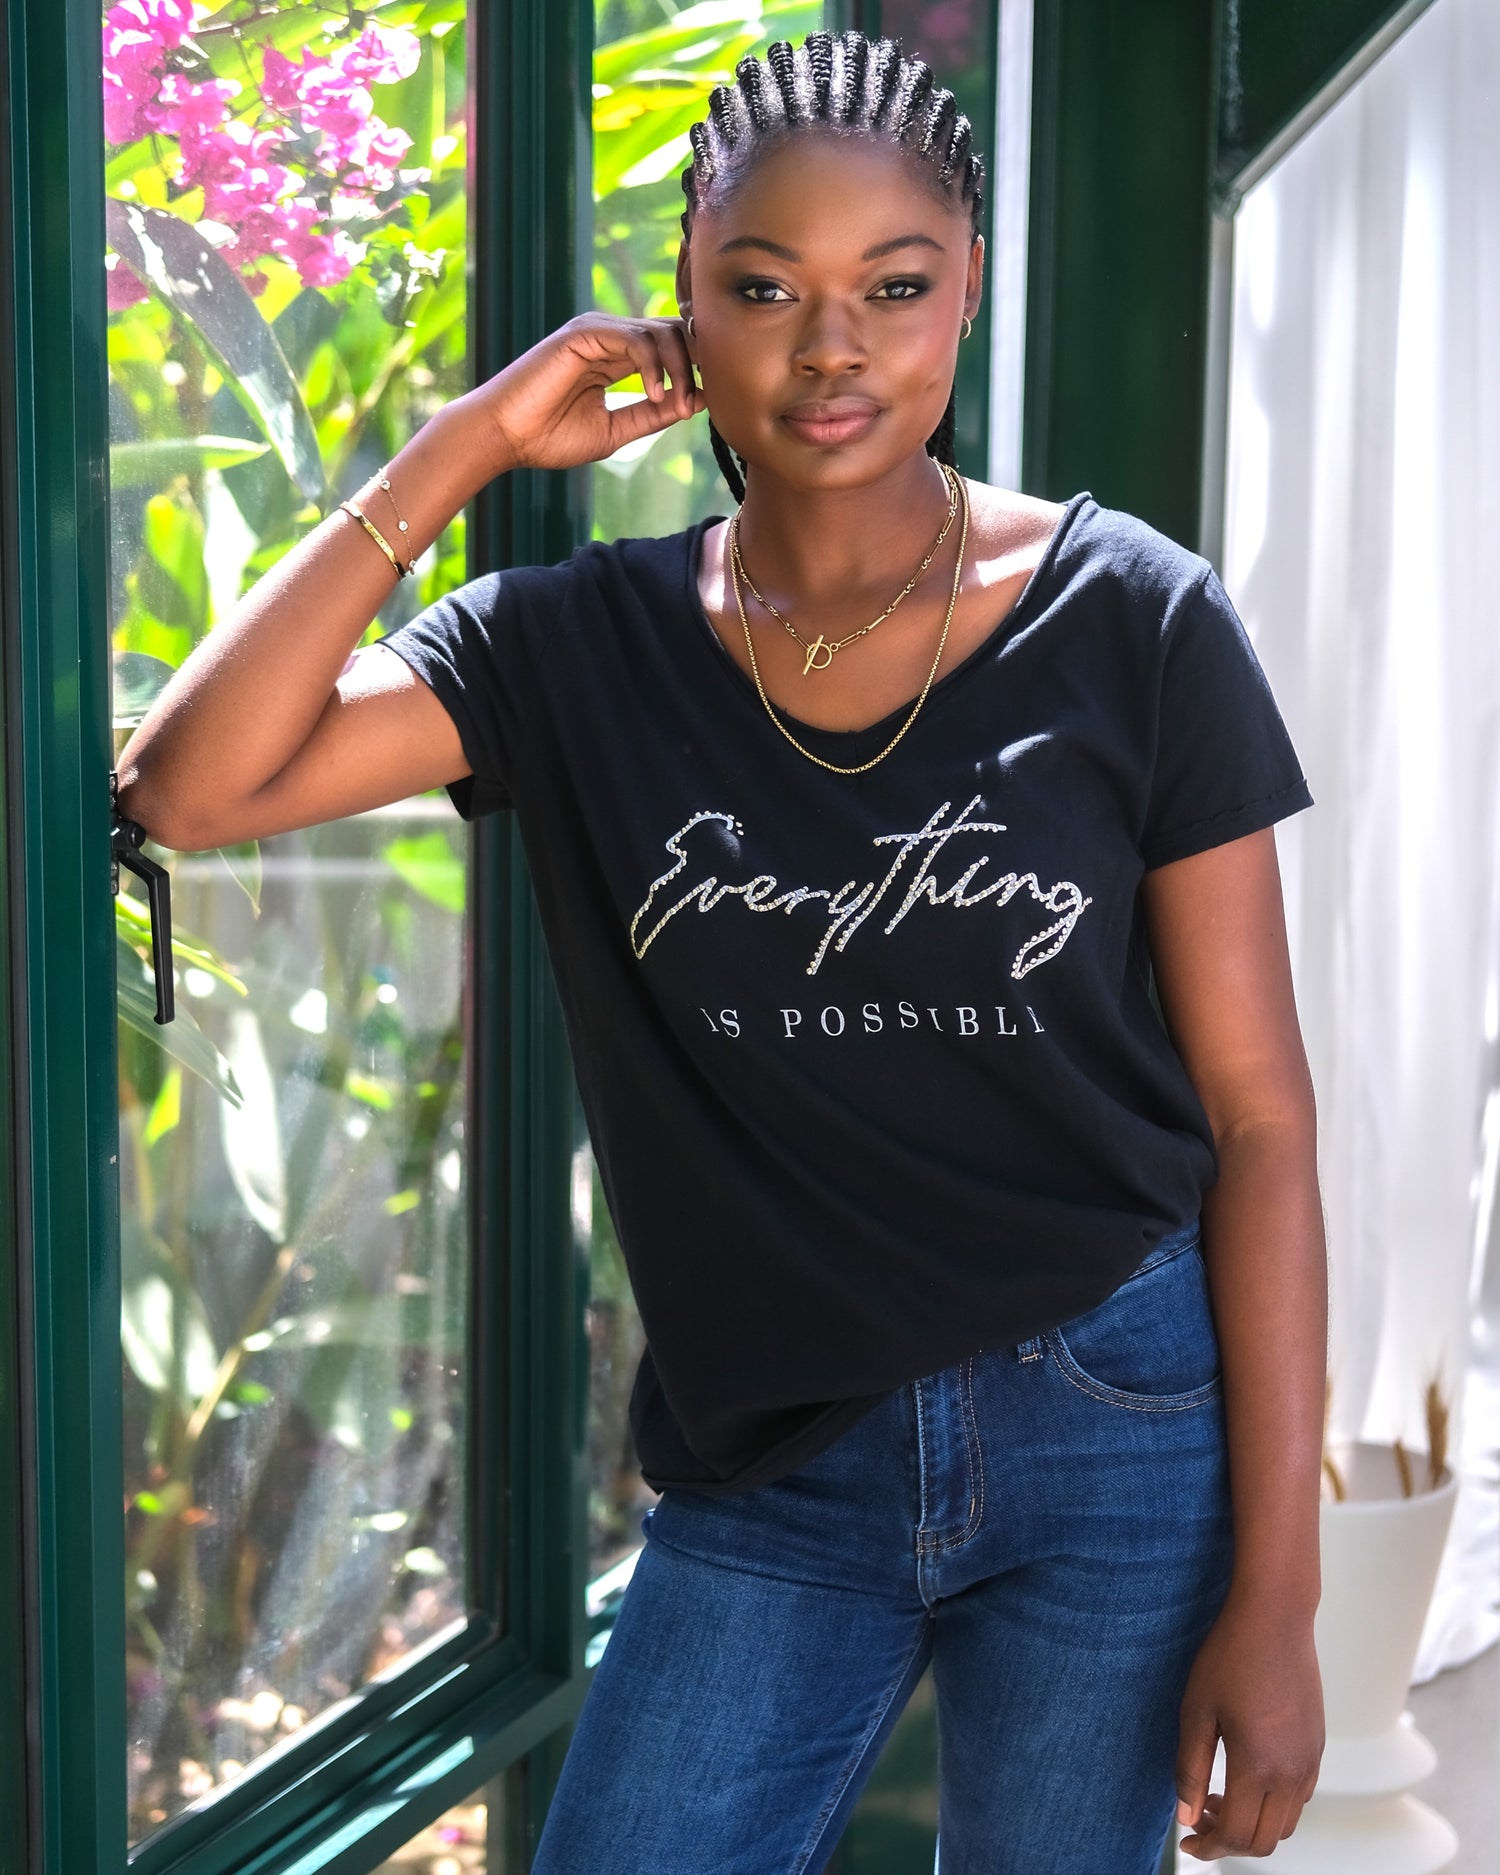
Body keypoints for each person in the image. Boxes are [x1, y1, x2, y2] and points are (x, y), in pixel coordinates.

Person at [116, 29, 1328, 1873]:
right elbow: (189, 788)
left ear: (969, 285)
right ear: (684, 306)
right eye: (764, 290)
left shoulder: (1134, 617)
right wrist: (466, 443)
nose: (832, 349)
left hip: (1111, 1414)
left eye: (894, 288)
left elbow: (1259, 1122)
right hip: (776, 1455)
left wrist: (1282, 1598)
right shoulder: (569, 647)